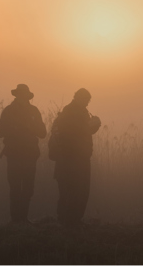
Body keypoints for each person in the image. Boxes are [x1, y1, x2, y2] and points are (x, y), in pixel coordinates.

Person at [0, 84, 47, 224]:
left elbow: (43, 133)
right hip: (14, 156)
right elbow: (0, 132)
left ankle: (23, 219)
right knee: (15, 188)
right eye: (21, 95)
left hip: (30, 156)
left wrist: (30, 127)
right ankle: (16, 220)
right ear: (17, 95)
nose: (23, 98)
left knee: (28, 189)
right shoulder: (9, 111)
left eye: (24, 95)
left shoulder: (33, 111)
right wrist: (14, 129)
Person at [54, 88, 101, 226]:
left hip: (81, 157)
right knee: (72, 189)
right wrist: (91, 126)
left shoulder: (81, 111)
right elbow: (74, 134)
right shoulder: (70, 112)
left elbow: (84, 132)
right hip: (71, 158)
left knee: (81, 189)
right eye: (86, 100)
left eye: (88, 101)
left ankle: (73, 219)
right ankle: (67, 220)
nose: (87, 103)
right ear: (79, 98)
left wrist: (94, 127)